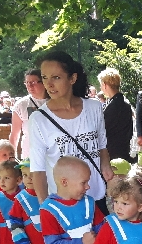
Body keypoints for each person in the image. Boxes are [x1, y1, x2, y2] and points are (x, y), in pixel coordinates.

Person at [28, 50, 113, 214]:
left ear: (72, 78)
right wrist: (45, 209)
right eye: (44, 77)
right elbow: (38, 169)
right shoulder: (38, 119)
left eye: (56, 77)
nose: (49, 84)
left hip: (97, 197)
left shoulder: (94, 108)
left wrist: (106, 166)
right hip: (64, 204)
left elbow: (102, 146)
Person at [98, 68, 135, 163]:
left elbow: (104, 130)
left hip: (113, 154)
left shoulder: (113, 106)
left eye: (101, 85)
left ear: (105, 85)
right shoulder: (125, 104)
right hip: (124, 150)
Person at [9, 69, 48, 157]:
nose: (30, 86)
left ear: (43, 82)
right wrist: (11, 157)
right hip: (30, 156)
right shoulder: (21, 105)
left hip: (53, 155)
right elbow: (14, 134)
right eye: (27, 83)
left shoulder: (57, 102)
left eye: (33, 82)